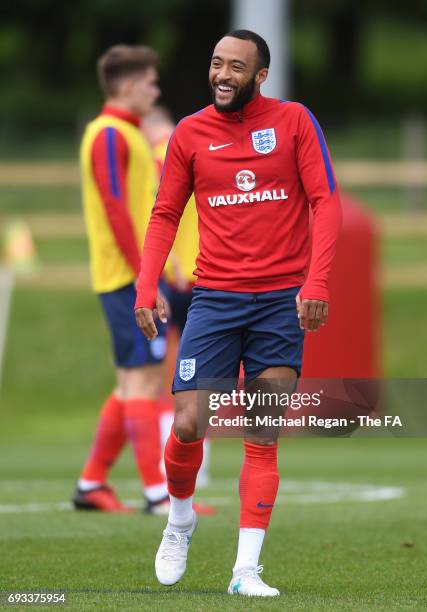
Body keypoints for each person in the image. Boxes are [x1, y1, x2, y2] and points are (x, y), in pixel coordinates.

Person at [135, 30, 342, 596]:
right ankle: (180, 520)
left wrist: (316, 282)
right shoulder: (190, 132)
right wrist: (146, 285)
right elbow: (164, 213)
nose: (223, 75)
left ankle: (245, 571)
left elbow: (325, 200)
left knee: (262, 432)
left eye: (236, 67)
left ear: (260, 75)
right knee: (186, 423)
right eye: (216, 64)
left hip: (280, 302)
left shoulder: (296, 121)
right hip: (216, 299)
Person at [74, 45, 170, 514]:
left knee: (131, 384)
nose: (156, 90)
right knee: (142, 384)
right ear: (129, 85)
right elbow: (116, 209)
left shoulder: (127, 135)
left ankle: (92, 484)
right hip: (125, 278)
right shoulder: (109, 135)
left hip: (132, 276)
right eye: (151, 82)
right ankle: (157, 494)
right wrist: (142, 280)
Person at [141, 107, 211, 489]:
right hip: (208, 273)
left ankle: (167, 466)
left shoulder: (160, 155)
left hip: (176, 277)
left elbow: (152, 216)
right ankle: (201, 466)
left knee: (163, 376)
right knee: (208, 375)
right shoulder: (205, 146)